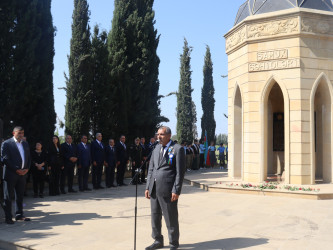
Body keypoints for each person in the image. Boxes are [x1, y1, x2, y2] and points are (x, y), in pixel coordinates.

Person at [145, 126, 186, 250]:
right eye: (158, 134)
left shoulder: (177, 149)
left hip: (168, 189)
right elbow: (151, 169)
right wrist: (148, 186)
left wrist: (176, 190)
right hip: (154, 189)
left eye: (161, 134)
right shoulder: (156, 148)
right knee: (155, 215)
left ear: (169, 135)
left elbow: (180, 172)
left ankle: (173, 243)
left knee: (170, 216)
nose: (159, 137)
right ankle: (158, 240)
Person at [1, 126, 31, 224]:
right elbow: (5, 159)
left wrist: (27, 168)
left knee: (20, 196)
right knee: (8, 196)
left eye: (22, 133)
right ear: (14, 133)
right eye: (19, 133)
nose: (21, 135)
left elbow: (28, 158)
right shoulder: (7, 143)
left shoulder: (25, 144)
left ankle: (19, 215)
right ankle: (8, 217)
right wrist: (16, 169)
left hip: (22, 174)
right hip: (10, 174)